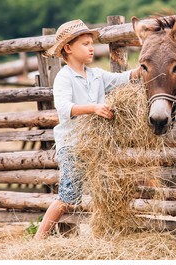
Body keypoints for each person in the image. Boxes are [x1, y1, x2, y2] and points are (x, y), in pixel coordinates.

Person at [35, 19, 140, 239]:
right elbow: (64, 108)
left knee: (106, 191)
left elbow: (124, 78)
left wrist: (143, 68)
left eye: (91, 42)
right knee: (68, 196)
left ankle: (105, 237)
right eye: (85, 43)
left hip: (96, 145)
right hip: (73, 146)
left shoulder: (97, 75)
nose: (92, 47)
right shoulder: (64, 77)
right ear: (68, 48)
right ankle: (38, 240)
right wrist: (93, 108)